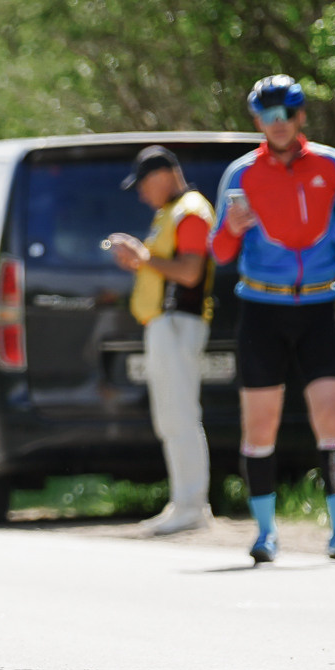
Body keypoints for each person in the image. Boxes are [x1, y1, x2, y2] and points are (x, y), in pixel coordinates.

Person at [211, 75, 335, 563]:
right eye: (268, 116)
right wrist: (231, 228)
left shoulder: (331, 166)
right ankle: (265, 533)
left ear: (301, 116)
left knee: (332, 416)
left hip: (318, 305)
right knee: (260, 427)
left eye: (287, 113)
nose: (278, 124)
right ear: (256, 122)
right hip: (262, 309)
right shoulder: (241, 174)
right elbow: (219, 252)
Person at [105, 146, 217, 537]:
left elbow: (189, 272)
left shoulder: (190, 211)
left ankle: (191, 505)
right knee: (170, 415)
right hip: (164, 325)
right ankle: (182, 502)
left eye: (144, 185)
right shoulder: (169, 213)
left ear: (165, 174)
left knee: (181, 414)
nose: (141, 194)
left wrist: (142, 257)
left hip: (179, 323)